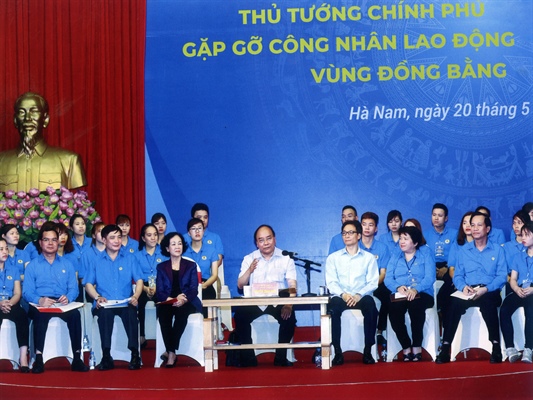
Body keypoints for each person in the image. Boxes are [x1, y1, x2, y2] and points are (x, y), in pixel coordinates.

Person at [436, 212, 507, 364]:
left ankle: (496, 347)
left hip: (489, 291)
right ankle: (445, 348)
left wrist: (486, 289)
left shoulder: (498, 250)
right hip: (468, 291)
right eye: (472, 225)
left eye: (479, 225)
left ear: (487, 229)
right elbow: (458, 275)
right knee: (452, 303)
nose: (474, 228)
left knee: (488, 303)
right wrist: (463, 287)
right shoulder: (464, 251)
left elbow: (501, 276)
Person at [22, 224, 89, 373]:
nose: (50, 243)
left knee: (75, 315)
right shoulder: (32, 266)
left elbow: (73, 288)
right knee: (40, 315)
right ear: (40, 243)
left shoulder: (67, 264)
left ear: (58, 242)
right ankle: (39, 358)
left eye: (54, 240)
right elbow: (27, 292)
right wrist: (40, 300)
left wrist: (68, 298)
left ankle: (77, 358)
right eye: (46, 240)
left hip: (62, 302)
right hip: (41, 303)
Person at [234, 224, 297, 367]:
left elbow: (292, 285)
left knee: (289, 318)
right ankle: (249, 358)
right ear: (257, 243)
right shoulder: (249, 258)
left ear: (275, 239)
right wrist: (249, 270)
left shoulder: (286, 258)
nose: (266, 243)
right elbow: (240, 285)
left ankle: (281, 358)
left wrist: (289, 304)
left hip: (278, 298)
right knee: (239, 316)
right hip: (255, 300)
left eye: (269, 238)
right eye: (261, 240)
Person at [84, 225, 143, 371]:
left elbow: (139, 280)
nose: (117, 241)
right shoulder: (96, 260)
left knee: (131, 313)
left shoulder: (130, 258)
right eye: (112, 238)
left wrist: (135, 296)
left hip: (125, 302)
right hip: (105, 303)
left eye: (119, 237)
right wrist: (97, 297)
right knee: (105, 315)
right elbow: (88, 284)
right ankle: (106, 356)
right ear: (104, 240)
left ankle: (135, 354)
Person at [0, 92, 86, 192]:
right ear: (15, 120)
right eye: (22, 112)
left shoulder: (70, 161)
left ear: (45, 119)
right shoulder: (1, 161)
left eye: (34, 111)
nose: (27, 118)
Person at [326, 219, 379, 365]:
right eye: (344, 233)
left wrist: (358, 295)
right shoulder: (333, 258)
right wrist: (344, 295)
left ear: (359, 235)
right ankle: (337, 352)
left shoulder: (369, 258)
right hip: (341, 296)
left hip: (361, 296)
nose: (347, 236)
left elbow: (372, 282)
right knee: (333, 307)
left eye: (350, 232)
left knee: (371, 305)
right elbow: (331, 282)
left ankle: (367, 350)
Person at [385, 226, 436, 361]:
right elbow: (388, 279)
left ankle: (417, 346)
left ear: (415, 242)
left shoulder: (426, 253)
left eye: (406, 239)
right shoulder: (396, 254)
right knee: (393, 310)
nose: (401, 241)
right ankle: (406, 346)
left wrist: (416, 289)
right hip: (400, 294)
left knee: (415, 307)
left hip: (422, 293)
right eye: (401, 238)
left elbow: (430, 277)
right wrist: (397, 287)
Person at [155, 232, 202, 367]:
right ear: (167, 248)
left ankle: (170, 352)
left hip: (187, 300)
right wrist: (171, 299)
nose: (177, 247)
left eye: (179, 243)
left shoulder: (190, 265)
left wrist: (184, 299)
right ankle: (172, 351)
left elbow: (193, 289)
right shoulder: (161, 267)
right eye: (173, 244)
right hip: (168, 300)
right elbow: (160, 291)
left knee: (181, 315)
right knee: (164, 316)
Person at [500, 222, 533, 363]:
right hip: (520, 290)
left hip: (532, 291)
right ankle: (510, 348)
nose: (523, 238)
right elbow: (513, 278)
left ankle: (529, 348)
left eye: (527, 235)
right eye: (522, 235)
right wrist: (516, 289)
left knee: (530, 310)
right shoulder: (518, 256)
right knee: (504, 309)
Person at [358, 212, 391, 346]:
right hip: (357, 285)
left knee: (388, 297)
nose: (367, 228)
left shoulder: (382, 248)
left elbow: (383, 273)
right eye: (364, 224)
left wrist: (372, 285)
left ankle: (379, 331)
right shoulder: (355, 246)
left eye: (370, 225)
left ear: (376, 229)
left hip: (377, 283)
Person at [135, 223, 168, 348]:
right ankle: (141, 335)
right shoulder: (136, 256)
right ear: (143, 238)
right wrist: (145, 288)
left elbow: (167, 275)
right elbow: (135, 277)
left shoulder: (164, 254)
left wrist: (157, 288)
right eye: (149, 235)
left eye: (155, 234)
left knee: (162, 303)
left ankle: (161, 335)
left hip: (160, 285)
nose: (153, 238)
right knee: (139, 302)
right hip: (142, 286)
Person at [0, 238, 30, 372]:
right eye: (1, 249)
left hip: (11, 303)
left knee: (22, 316)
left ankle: (23, 358)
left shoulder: (14, 269)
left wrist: (9, 303)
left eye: (6, 249)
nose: (5, 252)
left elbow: (17, 293)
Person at [423, 203, 457, 319]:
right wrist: (432, 268)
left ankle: (440, 307)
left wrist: (447, 267)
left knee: (452, 281)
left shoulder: (454, 234)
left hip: (448, 266)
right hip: (431, 266)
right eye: (434, 215)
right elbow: (424, 255)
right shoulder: (425, 235)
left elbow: (456, 255)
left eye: (440, 215)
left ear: (446, 218)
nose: (436, 218)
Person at [183, 218, 219, 317]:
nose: (197, 231)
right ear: (189, 233)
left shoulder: (211, 250)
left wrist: (204, 285)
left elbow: (214, 275)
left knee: (208, 297)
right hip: (188, 286)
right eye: (193, 229)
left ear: (203, 231)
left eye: (199, 228)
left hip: (205, 284)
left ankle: (208, 324)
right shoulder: (183, 251)